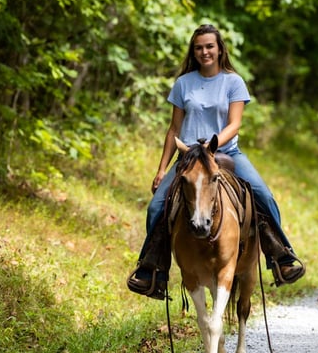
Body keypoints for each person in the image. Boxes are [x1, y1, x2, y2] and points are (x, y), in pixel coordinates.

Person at [127, 24, 305, 299]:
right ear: (193, 51)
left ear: (220, 49)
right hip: (188, 156)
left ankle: (280, 258)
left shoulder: (233, 82)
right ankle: (153, 272)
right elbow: (174, 130)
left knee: (263, 195)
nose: (204, 51)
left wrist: (211, 146)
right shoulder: (183, 83)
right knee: (156, 208)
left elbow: (234, 125)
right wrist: (162, 169)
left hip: (226, 153)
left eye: (209, 46)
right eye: (199, 47)